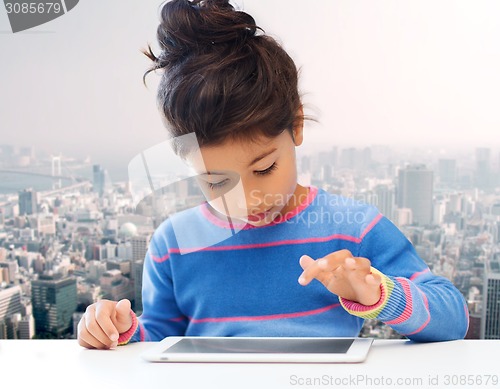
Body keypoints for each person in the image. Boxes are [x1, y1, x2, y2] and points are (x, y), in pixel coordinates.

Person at [77, 0, 468, 350]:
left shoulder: (353, 228)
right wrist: (119, 330)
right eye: (217, 182)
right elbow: (159, 338)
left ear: (296, 124)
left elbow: (453, 318)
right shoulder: (173, 245)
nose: (248, 200)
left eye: (264, 168)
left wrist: (378, 294)